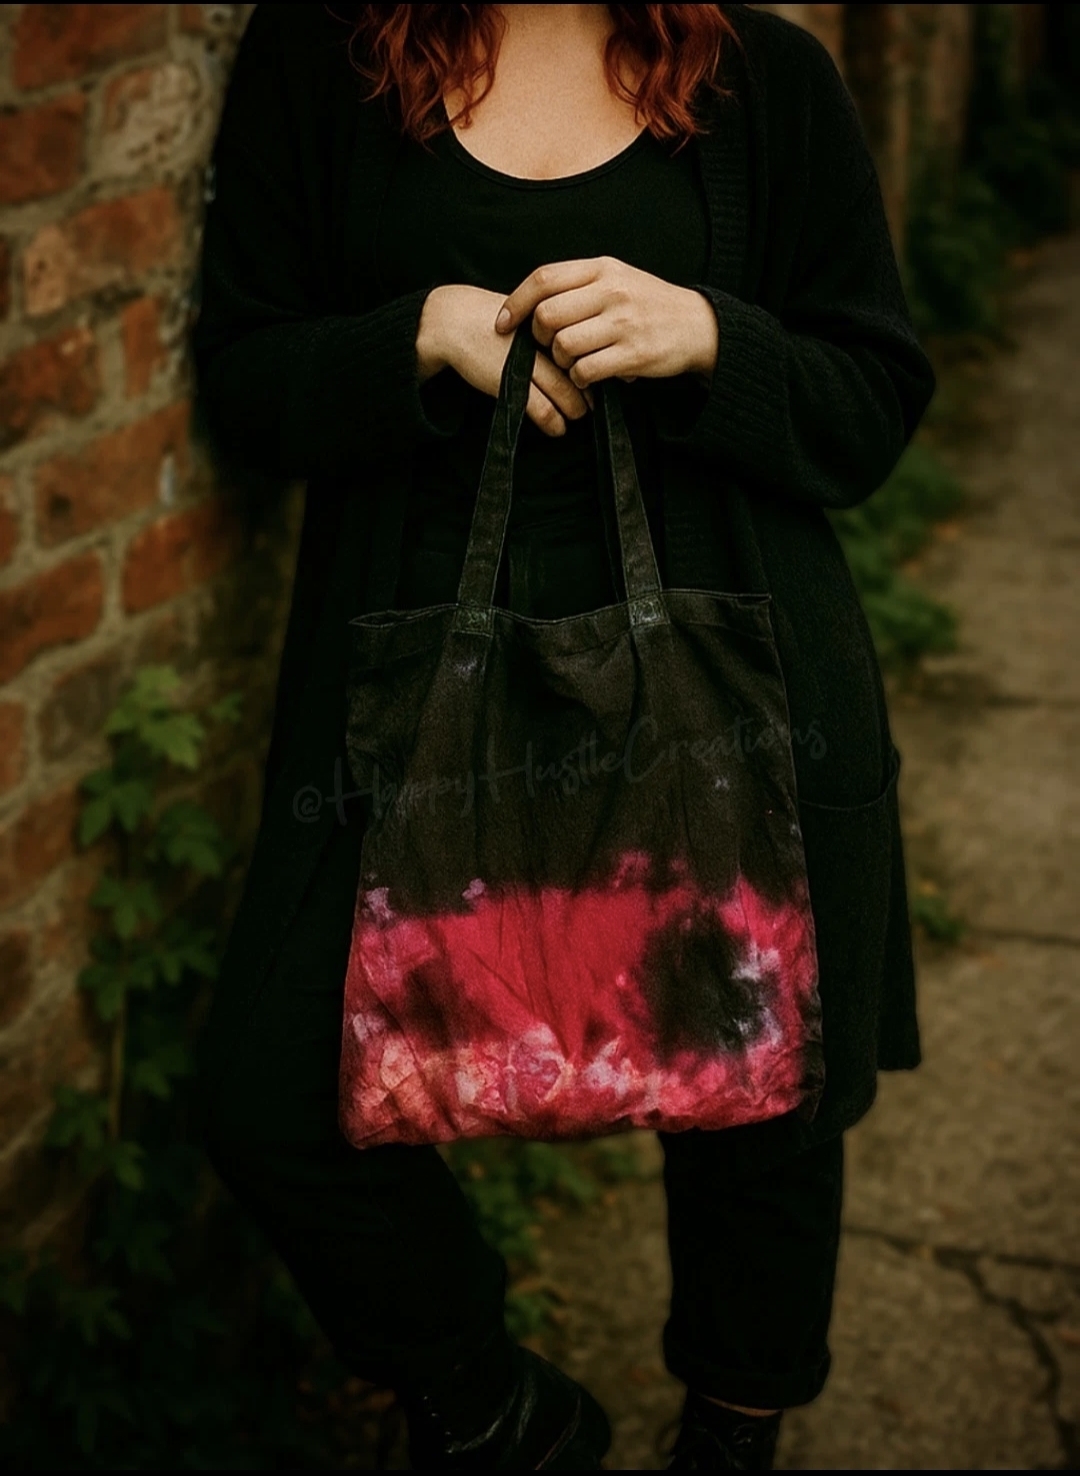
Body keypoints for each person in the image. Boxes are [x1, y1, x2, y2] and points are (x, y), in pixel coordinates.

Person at [191, 4, 936, 1469]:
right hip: (410, 677)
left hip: (735, 656)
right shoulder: (325, 54)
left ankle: (732, 1433)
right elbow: (248, 378)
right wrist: (416, 334)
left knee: (759, 1099)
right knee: (268, 1091)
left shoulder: (766, 78)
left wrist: (711, 337)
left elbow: (873, 397)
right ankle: (495, 1412)